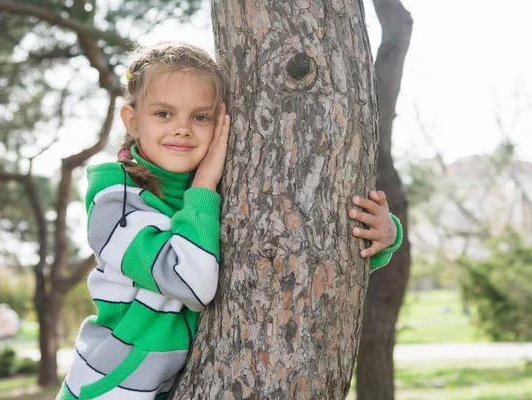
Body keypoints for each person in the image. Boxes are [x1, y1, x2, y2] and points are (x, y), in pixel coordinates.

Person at [57, 42, 402, 400]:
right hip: (108, 389)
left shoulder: (215, 196)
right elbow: (190, 281)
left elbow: (308, 259)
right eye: (163, 113)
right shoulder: (114, 200)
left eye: (200, 117)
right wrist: (205, 183)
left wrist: (383, 235)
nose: (182, 129)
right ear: (132, 121)